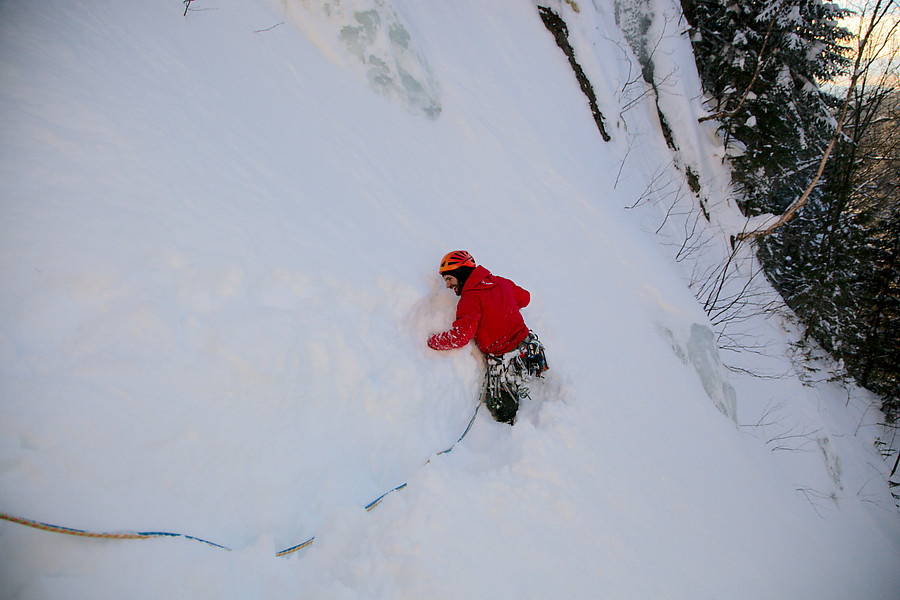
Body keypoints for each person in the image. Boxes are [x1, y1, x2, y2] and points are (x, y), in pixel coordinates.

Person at [427, 250, 548, 424]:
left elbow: (461, 336)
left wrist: (432, 341)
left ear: (461, 273)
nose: (447, 285)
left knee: (499, 410)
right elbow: (525, 298)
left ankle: (510, 427)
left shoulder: (470, 298)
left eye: (449, 279)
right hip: (527, 346)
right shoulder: (500, 282)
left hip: (503, 360)